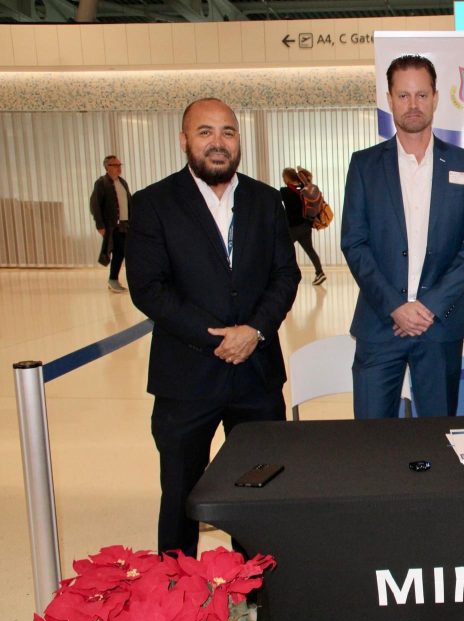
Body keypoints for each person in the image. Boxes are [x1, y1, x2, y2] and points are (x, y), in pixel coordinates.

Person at [126, 98, 300, 556]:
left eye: (228, 132)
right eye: (205, 132)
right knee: (181, 496)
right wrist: (218, 339)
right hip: (186, 379)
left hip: (257, 376)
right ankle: (176, 589)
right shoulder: (153, 203)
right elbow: (149, 288)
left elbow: (286, 275)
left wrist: (254, 331)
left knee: (262, 492)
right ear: (184, 140)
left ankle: (259, 585)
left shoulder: (266, 200)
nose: (218, 142)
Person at [340, 54, 464, 419]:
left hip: (440, 324)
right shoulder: (364, 165)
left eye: (421, 95)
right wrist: (395, 306)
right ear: (389, 99)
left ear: (435, 98)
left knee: (438, 434)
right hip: (380, 323)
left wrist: (429, 306)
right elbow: (354, 243)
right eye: (403, 95)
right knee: (372, 438)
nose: (413, 104)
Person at [89, 155, 131, 292]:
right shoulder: (101, 183)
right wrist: (100, 225)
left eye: (120, 165)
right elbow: (95, 205)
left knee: (123, 251)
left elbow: (128, 202)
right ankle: (113, 280)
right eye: (116, 165)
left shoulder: (122, 182)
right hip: (113, 226)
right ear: (108, 167)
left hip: (125, 224)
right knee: (118, 251)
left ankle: (114, 280)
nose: (119, 168)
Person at [280, 166, 326, 285]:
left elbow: (275, 199)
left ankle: (284, 275)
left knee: (281, 249)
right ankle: (320, 273)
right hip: (305, 226)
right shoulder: (304, 189)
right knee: (310, 250)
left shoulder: (285, 191)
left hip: (293, 228)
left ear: (287, 178)